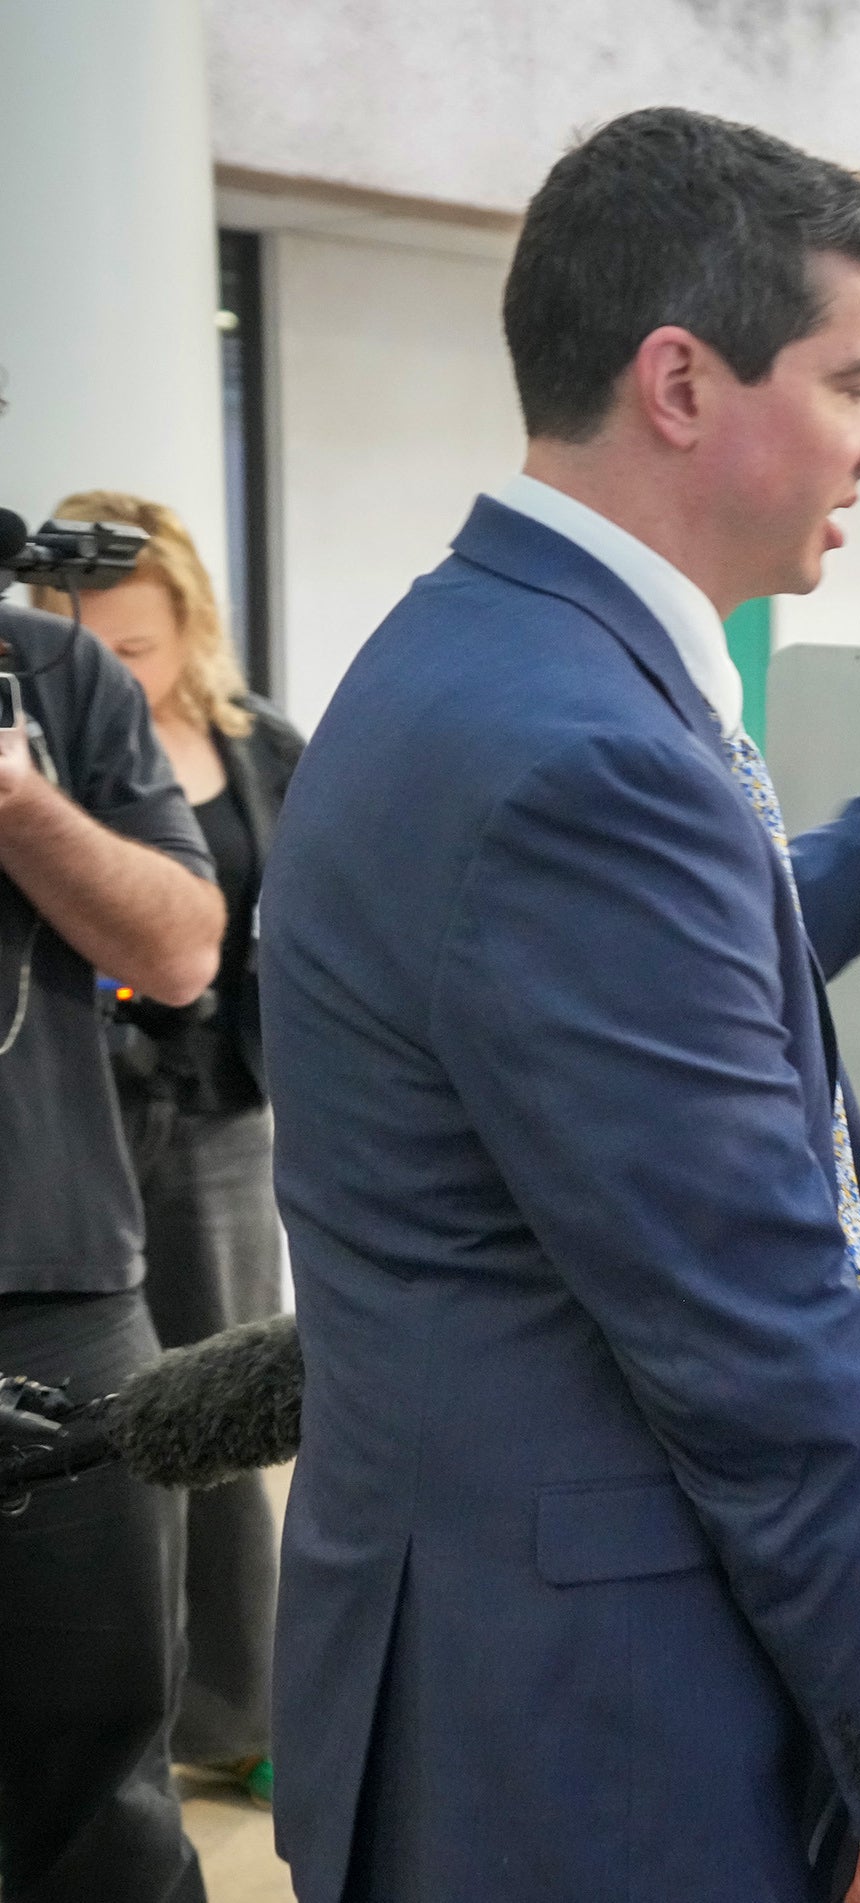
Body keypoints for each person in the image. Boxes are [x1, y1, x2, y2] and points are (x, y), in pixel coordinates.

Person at [258, 108, 860, 1903]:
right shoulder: (585, 752)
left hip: (485, 1664)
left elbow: (658, 993)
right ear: (680, 382)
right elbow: (761, 1337)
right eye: (856, 381)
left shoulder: (493, 655)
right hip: (592, 1733)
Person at [28, 491, 300, 1797]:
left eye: (140, 651)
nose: (117, 671)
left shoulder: (266, 752)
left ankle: (237, 1708)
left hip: (224, 1110)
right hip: (85, 1108)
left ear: (189, 631)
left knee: (218, 1417)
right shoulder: (56, 731)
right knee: (94, 1433)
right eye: (96, 643)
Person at [0, 576, 224, 1895]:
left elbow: (184, 949)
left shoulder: (59, 677)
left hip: (63, 1293)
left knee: (102, 1787)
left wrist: (23, 806)